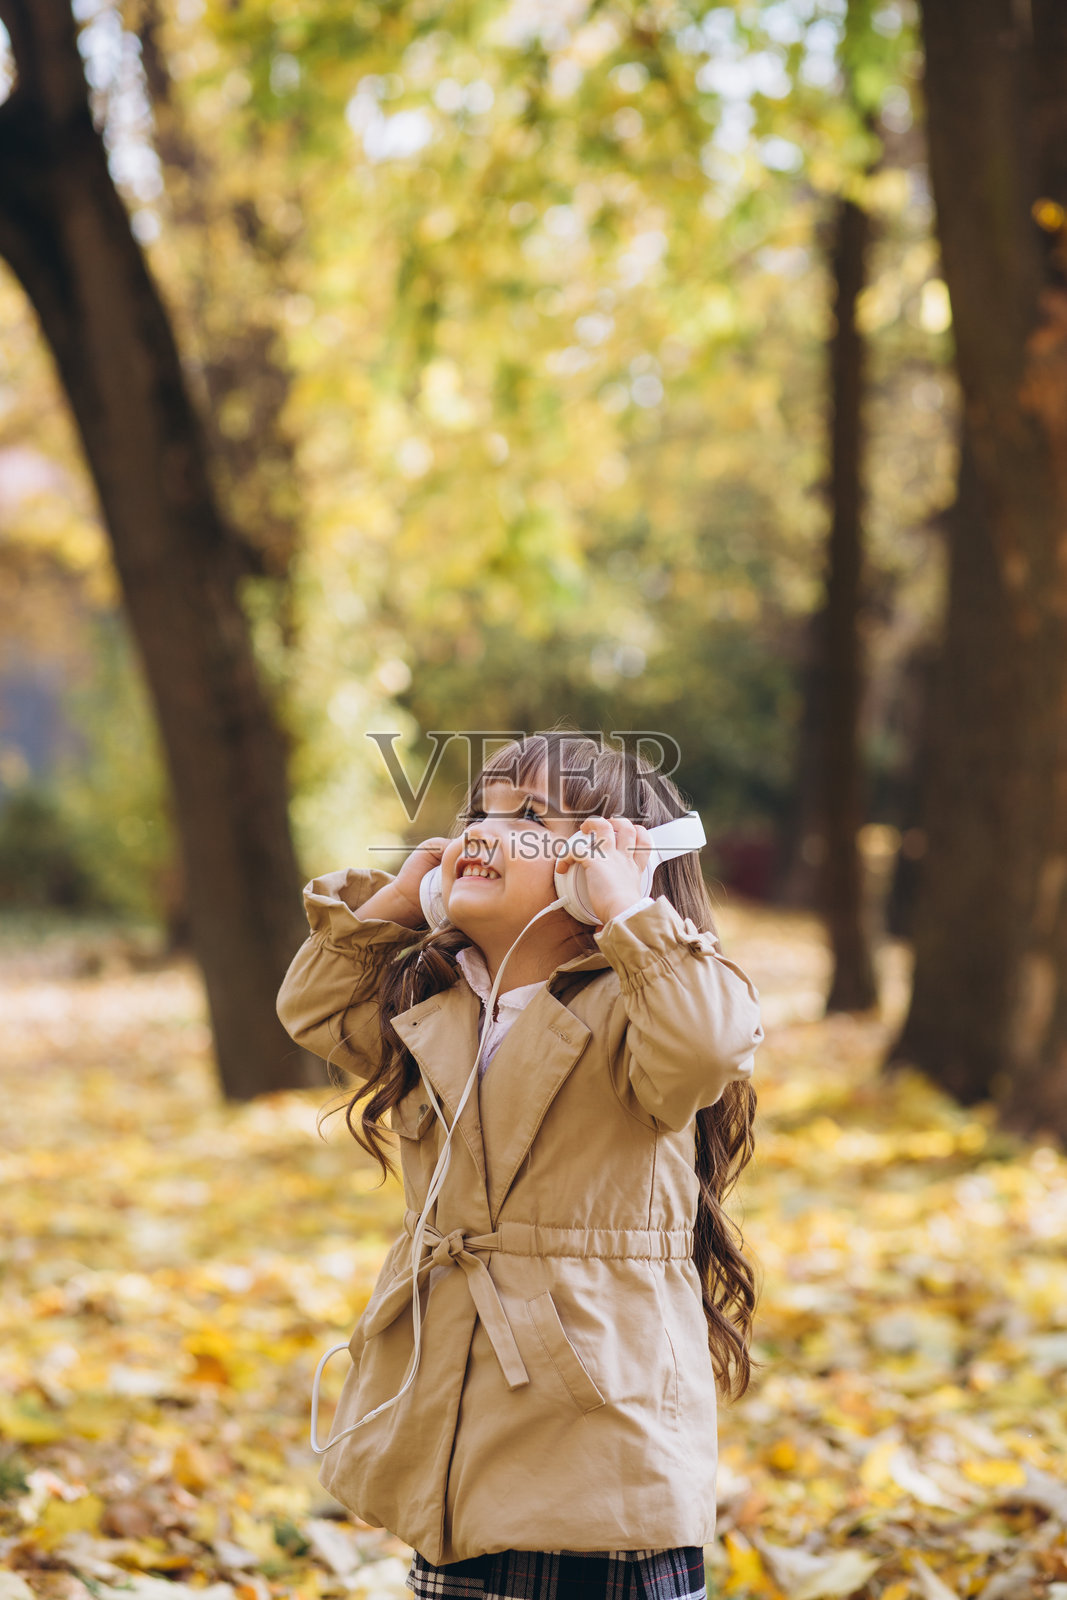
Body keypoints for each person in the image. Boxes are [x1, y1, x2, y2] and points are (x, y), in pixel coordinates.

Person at [276, 730, 764, 1600]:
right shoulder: (436, 1006)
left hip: (591, 1441)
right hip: (456, 1434)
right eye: (479, 812)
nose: (483, 832)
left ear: (596, 866)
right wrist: (394, 903)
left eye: (530, 816)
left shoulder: (636, 1005)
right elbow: (314, 1009)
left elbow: (707, 1043)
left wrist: (631, 915)